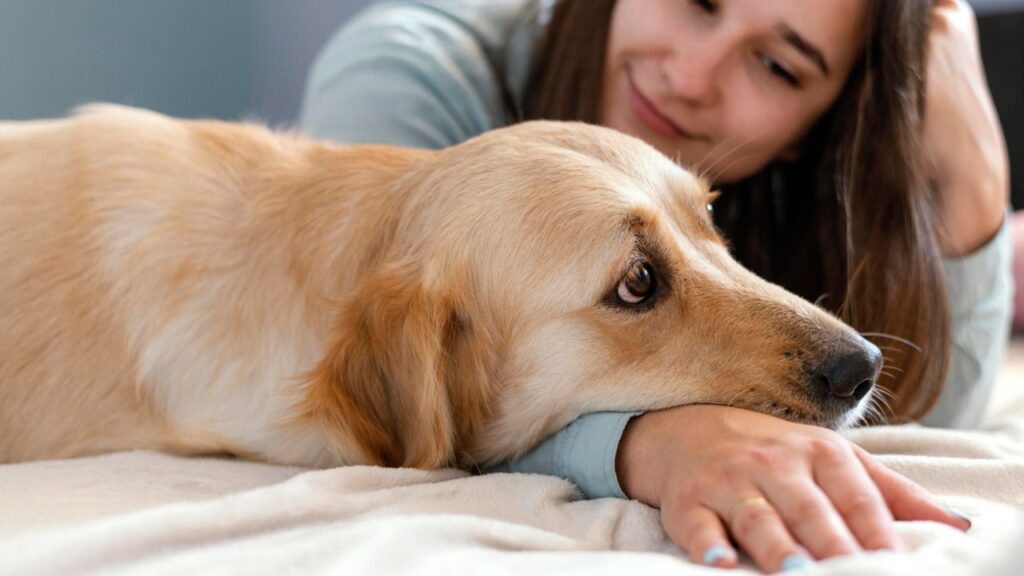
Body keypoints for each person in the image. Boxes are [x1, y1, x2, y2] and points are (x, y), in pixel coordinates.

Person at [299, 0, 1014, 571]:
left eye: (776, 66)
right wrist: (653, 447)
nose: (691, 76)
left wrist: (978, 177)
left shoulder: (792, 186)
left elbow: (924, 408)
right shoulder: (406, 83)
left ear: (815, 128)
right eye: (696, 1)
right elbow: (422, 400)